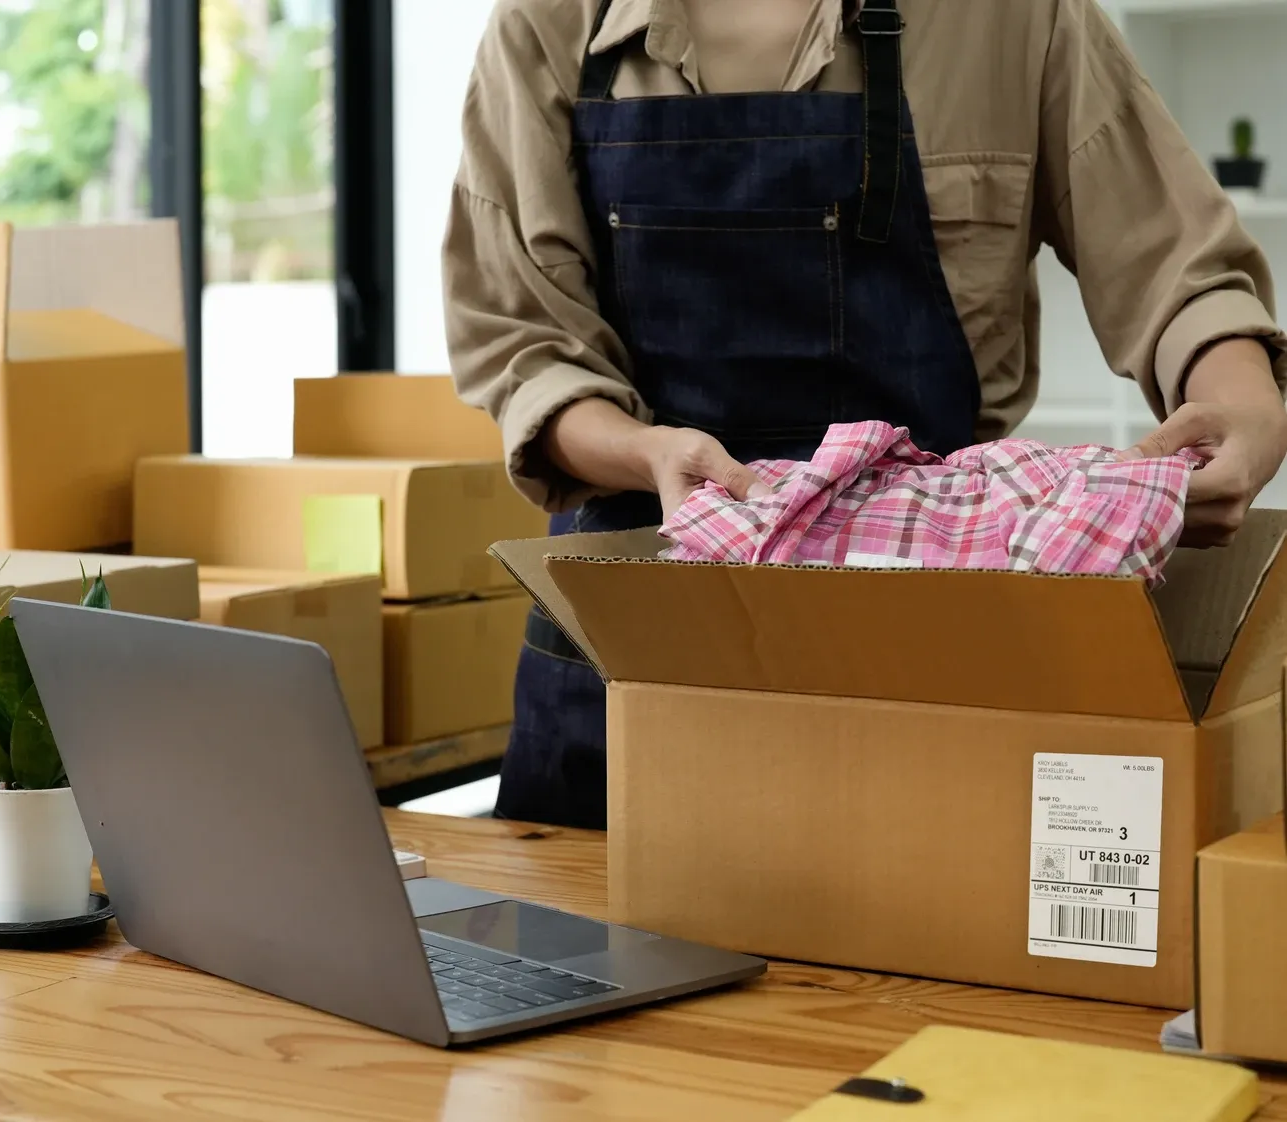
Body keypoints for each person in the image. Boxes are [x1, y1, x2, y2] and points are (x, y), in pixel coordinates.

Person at [445, 0, 1287, 830]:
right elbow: (527, 346)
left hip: (931, 664)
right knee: (589, 961)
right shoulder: (550, 22)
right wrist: (643, 453)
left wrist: (1248, 411)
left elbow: (1181, 275)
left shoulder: (1019, 19)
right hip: (631, 659)